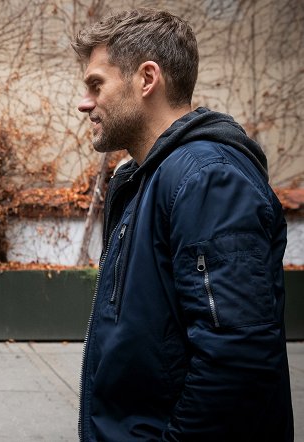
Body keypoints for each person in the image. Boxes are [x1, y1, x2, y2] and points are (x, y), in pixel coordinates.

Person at [72, 8, 293, 441]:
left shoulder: (207, 178)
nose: (85, 102)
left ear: (146, 79)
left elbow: (236, 359)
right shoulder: (147, 178)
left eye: (96, 85)